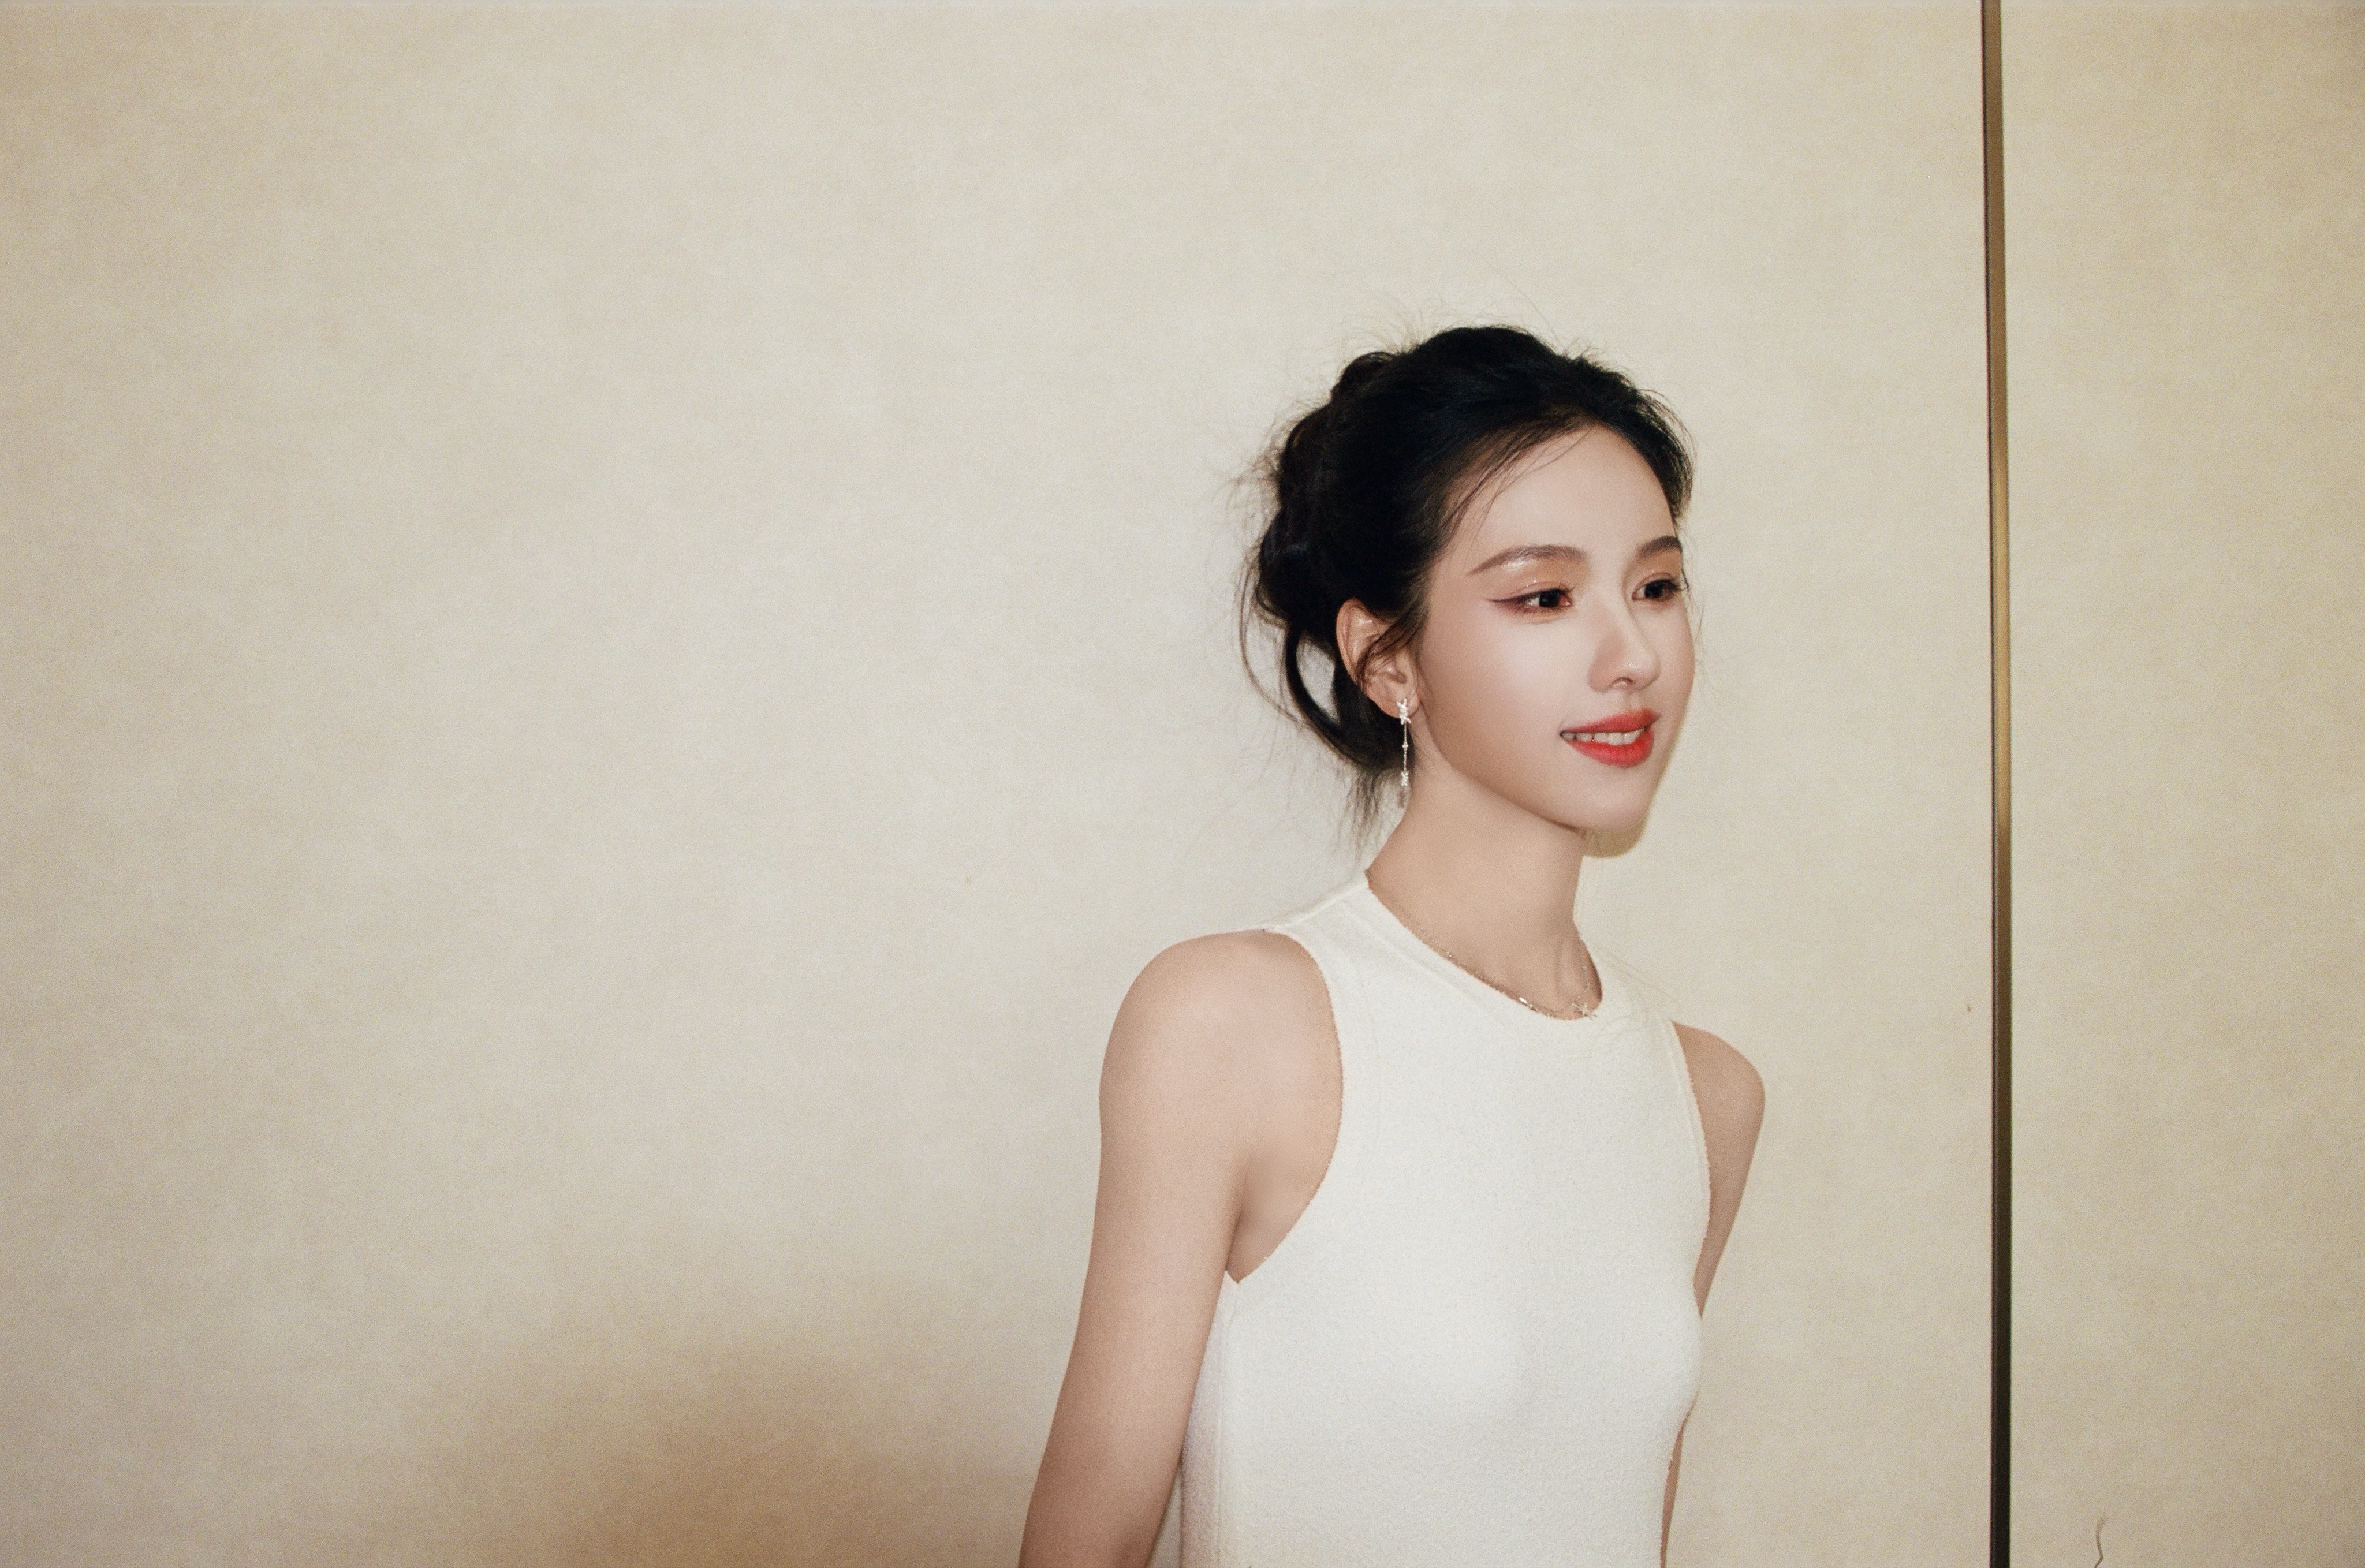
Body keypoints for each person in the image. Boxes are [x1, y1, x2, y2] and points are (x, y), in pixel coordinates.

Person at [1018, 324, 1765, 1568]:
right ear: (1386, 657)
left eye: (1655, 586)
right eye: (1543, 596)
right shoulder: (1232, 1024)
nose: (1632, 655)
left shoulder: (1707, 1098)